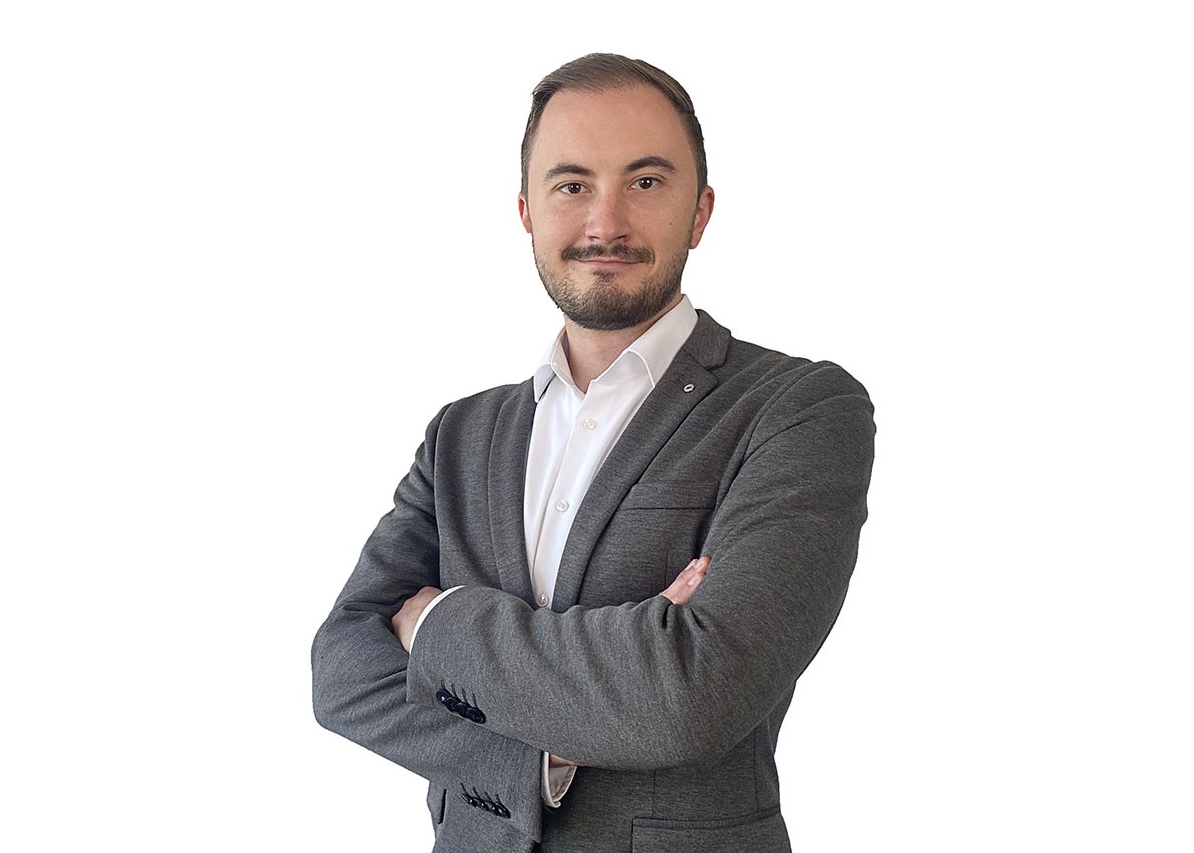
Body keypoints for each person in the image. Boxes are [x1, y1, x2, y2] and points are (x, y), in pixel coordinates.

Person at [312, 53, 876, 853]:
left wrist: (436, 622)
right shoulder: (461, 433)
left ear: (701, 211)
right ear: (526, 212)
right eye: (572, 185)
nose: (605, 223)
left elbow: (692, 694)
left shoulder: (797, 409)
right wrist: (546, 751)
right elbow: (342, 671)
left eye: (644, 182)